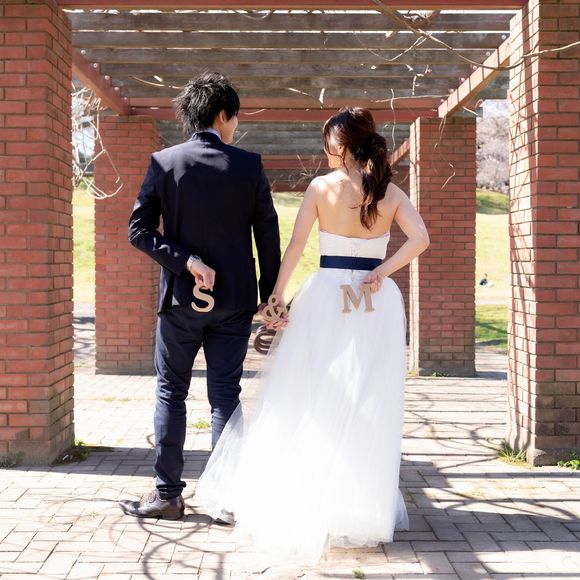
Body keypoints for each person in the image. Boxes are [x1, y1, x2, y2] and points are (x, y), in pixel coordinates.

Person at [195, 107, 430, 563]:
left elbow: (297, 246)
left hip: (325, 295)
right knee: (367, 399)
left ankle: (305, 495)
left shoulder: (321, 188)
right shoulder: (390, 192)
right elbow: (420, 238)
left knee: (308, 393)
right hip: (375, 302)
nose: (326, 151)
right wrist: (382, 271)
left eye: (329, 144)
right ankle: (355, 507)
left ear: (342, 146)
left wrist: (277, 297)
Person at [118, 72, 281, 521]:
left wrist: (186, 260)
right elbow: (267, 236)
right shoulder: (249, 165)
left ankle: (168, 495)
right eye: (235, 117)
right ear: (223, 114)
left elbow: (138, 232)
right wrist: (270, 297)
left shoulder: (164, 162)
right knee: (225, 395)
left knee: (171, 391)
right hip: (235, 302)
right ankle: (227, 501)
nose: (236, 125)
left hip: (180, 302)